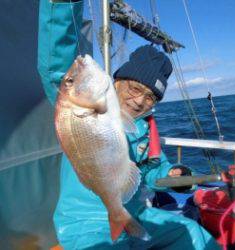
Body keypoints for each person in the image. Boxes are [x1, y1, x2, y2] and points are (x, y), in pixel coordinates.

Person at [38, 1, 220, 249]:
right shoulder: (77, 106)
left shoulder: (145, 127)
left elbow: (155, 170)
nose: (139, 101)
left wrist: (174, 174)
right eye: (135, 88)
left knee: (194, 234)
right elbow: (57, 69)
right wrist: (61, 6)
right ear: (116, 82)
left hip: (136, 213)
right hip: (85, 221)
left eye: (150, 97)